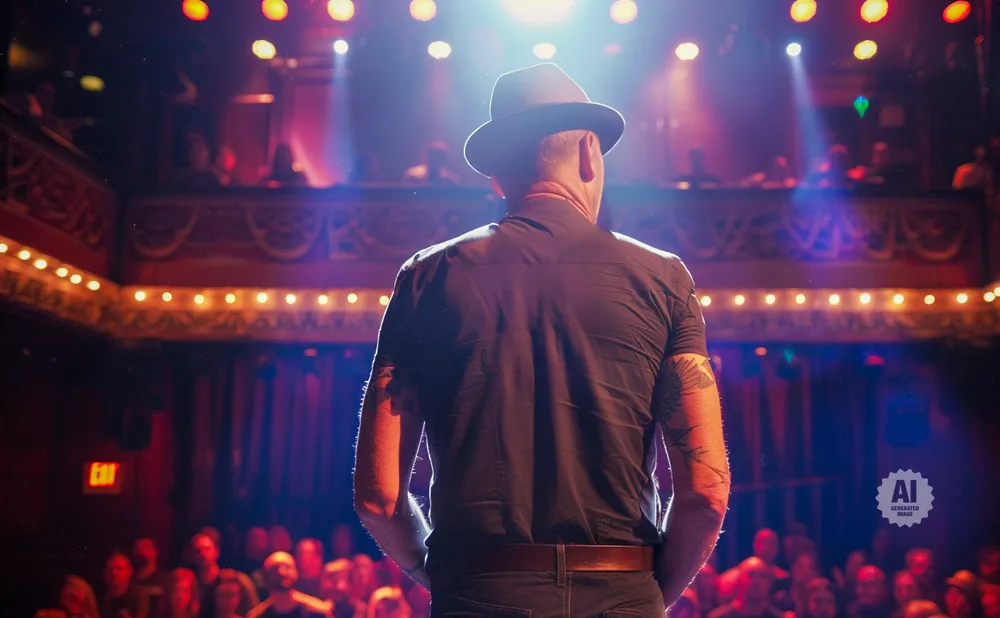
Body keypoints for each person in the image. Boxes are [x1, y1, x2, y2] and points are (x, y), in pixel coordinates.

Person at [354, 62, 730, 616]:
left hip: (476, 593)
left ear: (498, 177)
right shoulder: (663, 278)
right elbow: (705, 493)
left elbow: (379, 498)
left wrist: (441, 576)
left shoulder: (425, 278)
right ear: (587, 154)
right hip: (622, 596)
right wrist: (646, 596)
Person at [245, 552, 329, 618]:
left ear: (296, 573)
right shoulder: (257, 616)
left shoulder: (316, 612)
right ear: (265, 577)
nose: (281, 572)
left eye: (287, 567)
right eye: (275, 569)